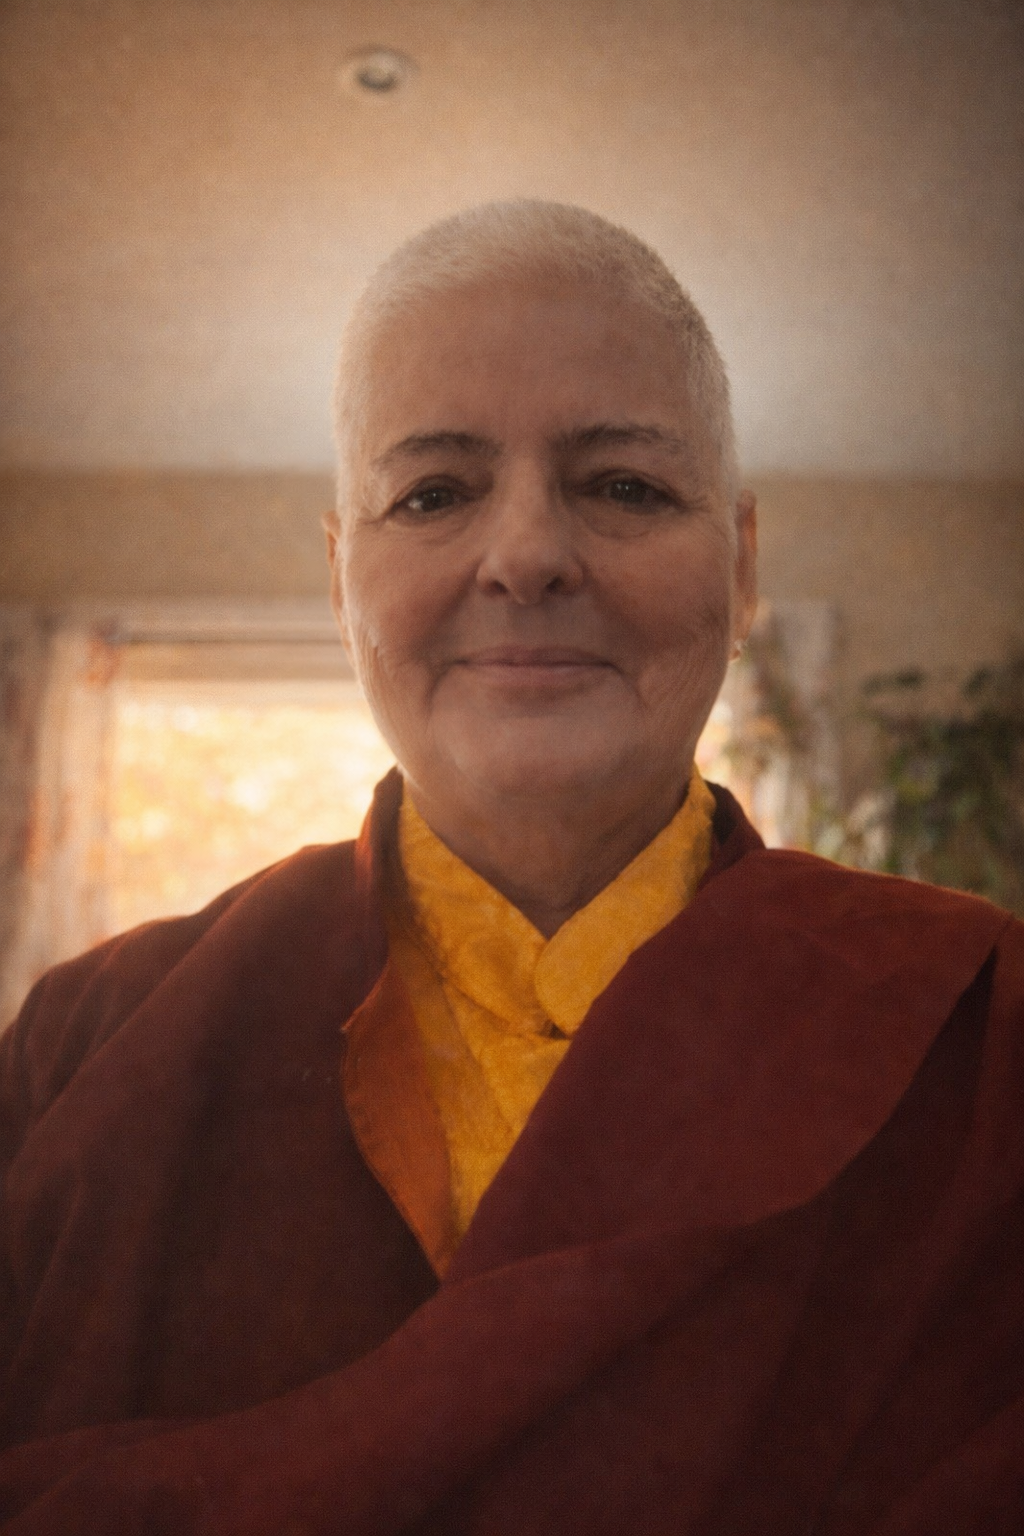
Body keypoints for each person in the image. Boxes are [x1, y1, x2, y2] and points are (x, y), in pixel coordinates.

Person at [0, 201, 1021, 1535]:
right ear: (338, 575)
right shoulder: (90, 1041)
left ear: (745, 561)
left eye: (625, 487)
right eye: (433, 492)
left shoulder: (981, 1034)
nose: (529, 554)